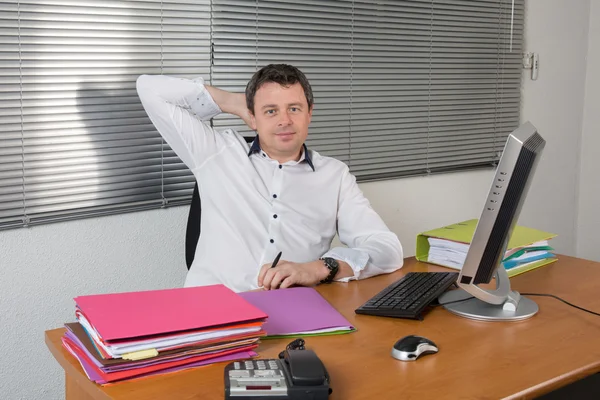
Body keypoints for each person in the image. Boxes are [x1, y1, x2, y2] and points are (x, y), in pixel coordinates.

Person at [136, 64, 403, 292]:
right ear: (252, 117)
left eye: (294, 109)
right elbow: (148, 88)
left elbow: (387, 249)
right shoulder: (216, 152)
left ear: (310, 113)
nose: (284, 120)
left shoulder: (334, 175)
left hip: (291, 309)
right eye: (271, 111)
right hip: (212, 308)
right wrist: (235, 103)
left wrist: (321, 268)